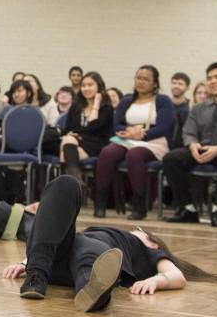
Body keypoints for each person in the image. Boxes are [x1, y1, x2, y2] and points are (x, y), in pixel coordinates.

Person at [3, 176, 217, 311]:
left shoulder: (148, 251)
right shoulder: (95, 237)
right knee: (66, 184)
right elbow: (54, 234)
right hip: (57, 259)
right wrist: (26, 262)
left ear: (153, 244)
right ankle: (36, 276)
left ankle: (91, 289)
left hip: (94, 260)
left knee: (93, 251)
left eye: (141, 232)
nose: (135, 231)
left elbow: (177, 276)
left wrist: (156, 281)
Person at [92, 65, 174, 220]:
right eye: (138, 78)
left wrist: (142, 134)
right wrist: (129, 132)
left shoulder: (163, 101)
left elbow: (165, 126)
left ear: (155, 83)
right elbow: (116, 124)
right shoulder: (127, 100)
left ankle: (139, 205)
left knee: (134, 155)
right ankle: (100, 203)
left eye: (145, 79)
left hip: (153, 141)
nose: (141, 82)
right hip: (127, 138)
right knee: (107, 153)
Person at [163, 61, 217, 226]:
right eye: (210, 78)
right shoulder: (199, 108)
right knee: (171, 158)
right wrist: (192, 145)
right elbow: (188, 131)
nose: (213, 81)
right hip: (200, 149)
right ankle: (189, 209)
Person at [60, 71, 113, 183]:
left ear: (99, 87)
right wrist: (69, 134)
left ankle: (72, 188)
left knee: (64, 154)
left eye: (90, 85)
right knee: (67, 144)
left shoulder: (106, 108)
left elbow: (93, 127)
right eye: (83, 85)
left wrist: (97, 103)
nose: (86, 88)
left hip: (97, 144)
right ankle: (77, 182)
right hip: (76, 143)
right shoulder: (76, 107)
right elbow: (67, 129)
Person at [170, 72, 191, 150]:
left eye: (180, 84)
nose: (176, 86)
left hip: (181, 147)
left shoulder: (190, 108)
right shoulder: (165, 106)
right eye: (174, 83)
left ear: (187, 87)